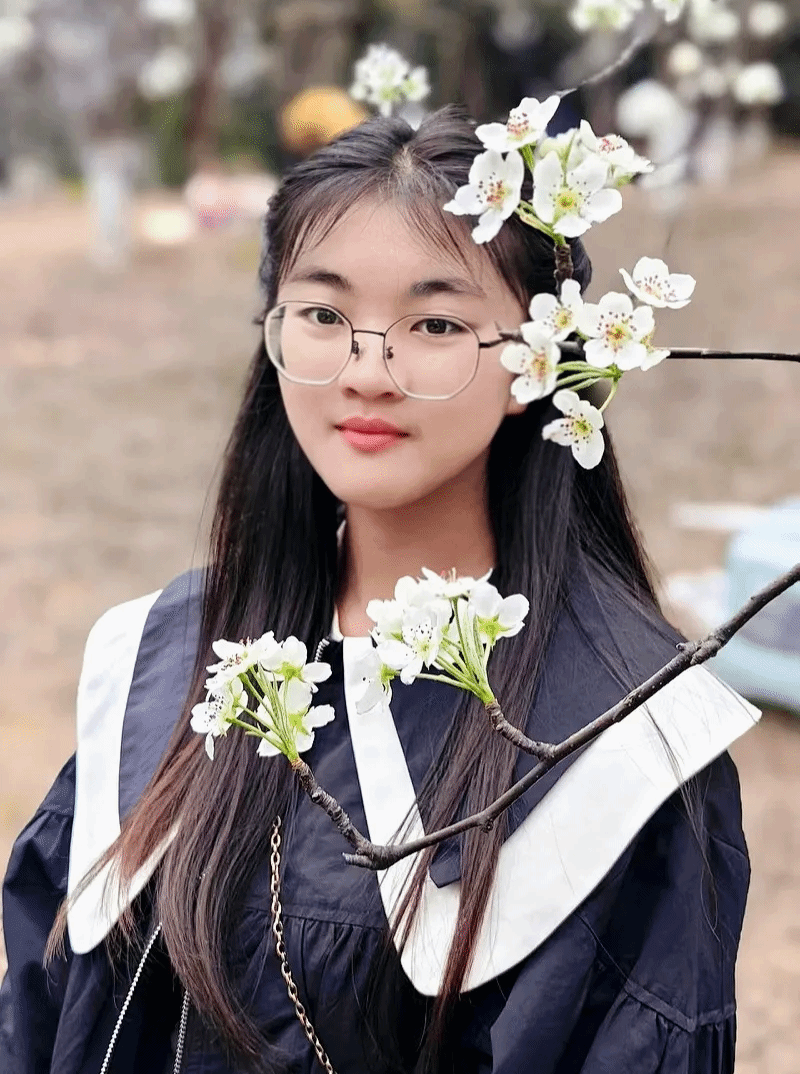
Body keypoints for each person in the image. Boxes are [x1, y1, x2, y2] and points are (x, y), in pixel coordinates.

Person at [1, 106, 758, 1074]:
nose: (367, 371)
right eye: (323, 315)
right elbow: (40, 1017)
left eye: (434, 324)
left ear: (536, 361)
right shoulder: (165, 654)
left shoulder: (622, 737)